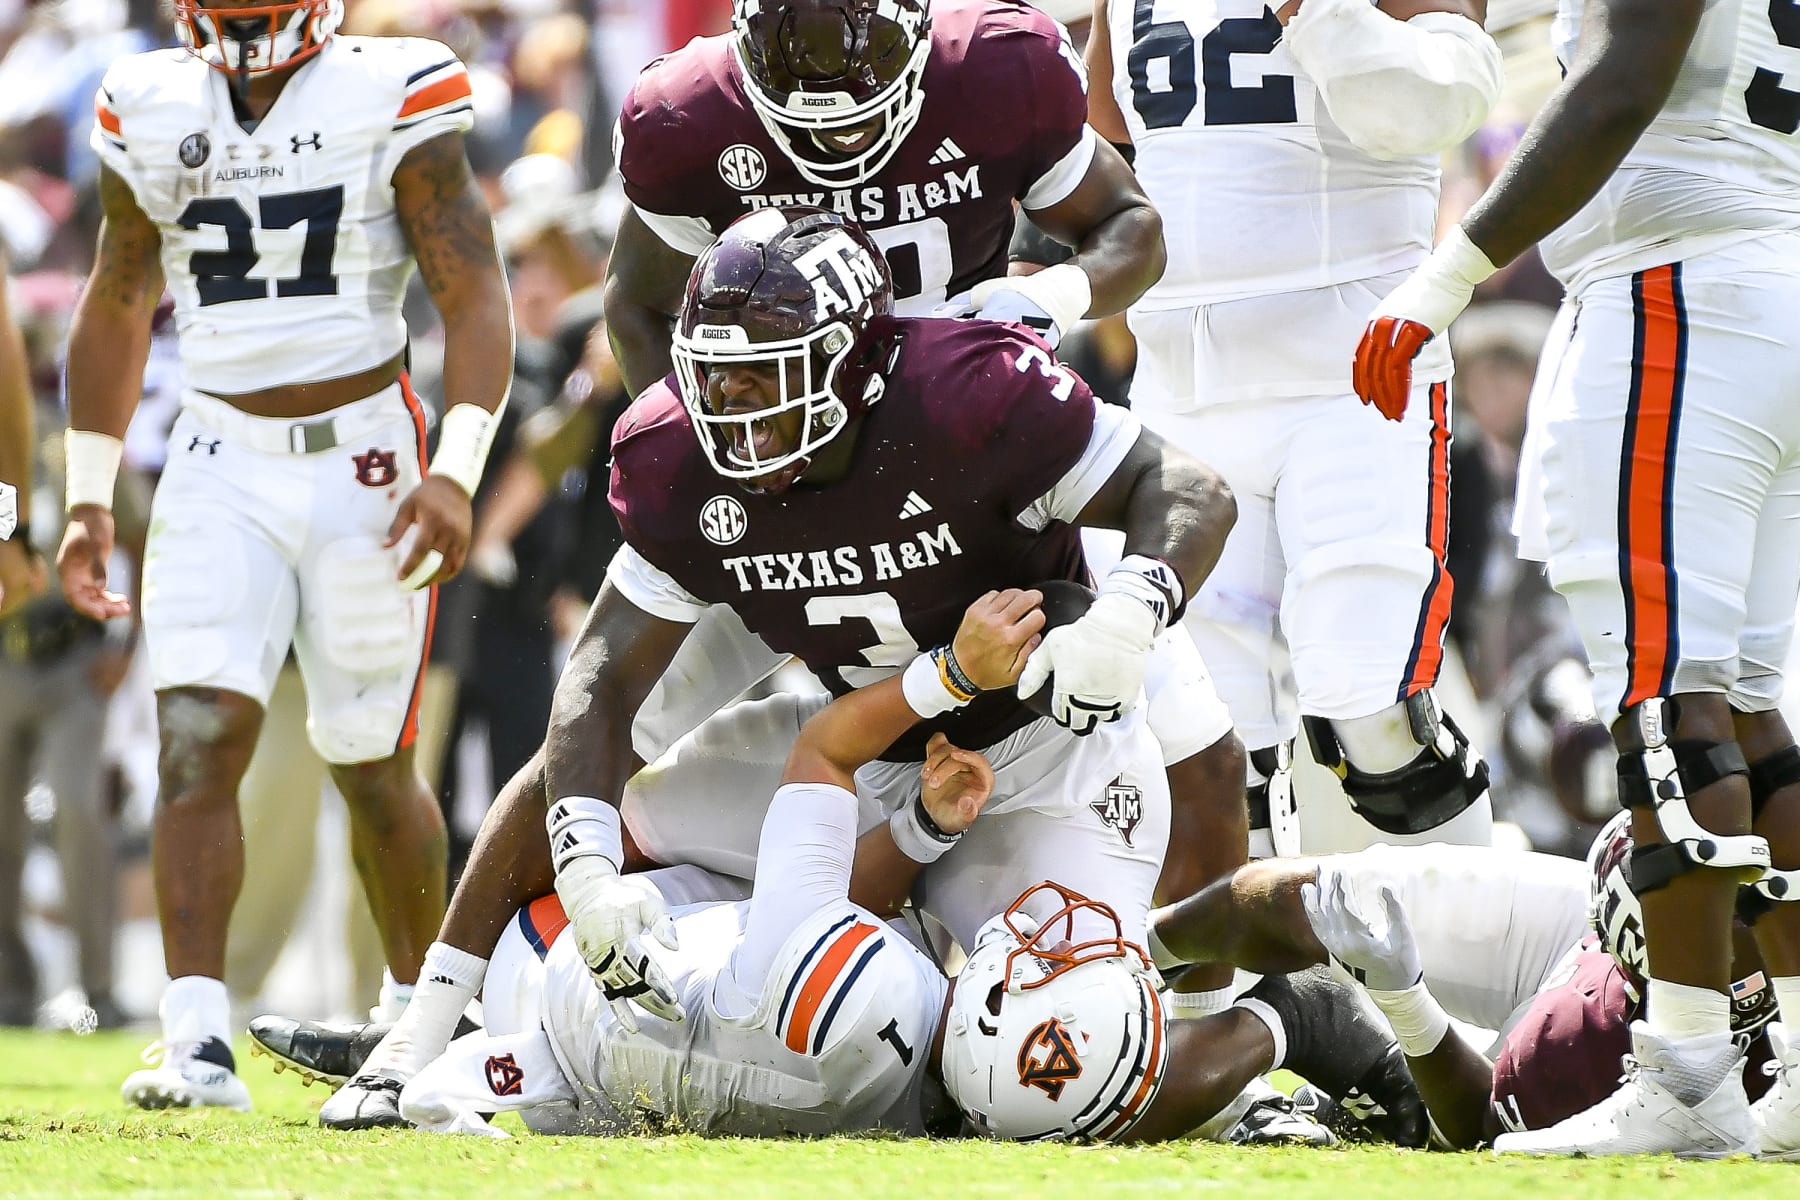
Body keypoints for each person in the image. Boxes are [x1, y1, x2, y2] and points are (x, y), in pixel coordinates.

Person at [306, 206, 1258, 1129]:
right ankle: (418, 1031)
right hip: (862, 744)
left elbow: (1187, 490)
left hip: (1040, 772)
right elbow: (600, 684)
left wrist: (1127, 620)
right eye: (715, 383)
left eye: (764, 380)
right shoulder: (683, 453)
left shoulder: (969, 395)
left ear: (851, 364)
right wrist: (593, 876)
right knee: (593, 804)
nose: (730, 415)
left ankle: (1292, 1035)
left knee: (1052, 1073)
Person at [612, 0, 1248, 1020]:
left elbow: (1132, 229)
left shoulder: (993, 72)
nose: (838, 139)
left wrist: (1062, 297)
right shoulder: (694, 116)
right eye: (802, 113)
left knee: (1192, 730)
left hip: (976, 468)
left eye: (864, 111)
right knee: (610, 715)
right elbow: (637, 303)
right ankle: (449, 1005)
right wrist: (717, 468)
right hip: (783, 479)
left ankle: (1218, 1031)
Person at [258, 588, 1418, 1142]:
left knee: (1100, 1038)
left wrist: (424, 1051)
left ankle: (415, 1012)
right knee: (1109, 1036)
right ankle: (1289, 1051)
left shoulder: (902, 1044)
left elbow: (785, 778)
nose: (1025, 947)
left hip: (594, 964)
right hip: (706, 964)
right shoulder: (924, 1065)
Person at [1352, 0, 1800, 1160]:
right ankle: (1797, 1058)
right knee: (1750, 708)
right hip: (1771, 274)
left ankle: (1688, 1072)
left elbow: (1616, 85)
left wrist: (1446, 276)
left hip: (1682, 287)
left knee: (1664, 695)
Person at [54, 0, 514, 1109]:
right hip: (216, 449)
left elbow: (471, 287)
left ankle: (417, 1030)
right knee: (196, 739)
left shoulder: (393, 83)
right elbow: (119, 295)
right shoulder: (148, 100)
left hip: (364, 453)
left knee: (370, 760)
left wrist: (453, 466)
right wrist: (84, 497)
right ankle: (197, 1038)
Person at [1085, 0, 1504, 855]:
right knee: (1203, 749)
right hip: (1181, 390)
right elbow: (1093, 150)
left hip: (1350, 381)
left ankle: (1483, 976)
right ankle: (1246, 990)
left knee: (1379, 722)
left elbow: (1442, 103)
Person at [1148, 812, 1783, 1148]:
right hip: (1588, 941)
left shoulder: (1581, 1041)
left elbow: (1474, 1124)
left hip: (1621, 1024)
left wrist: (1405, 999)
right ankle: (1131, 949)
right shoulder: (1603, 962)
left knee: (1407, 1097)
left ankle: (1312, 1027)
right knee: (1328, 898)